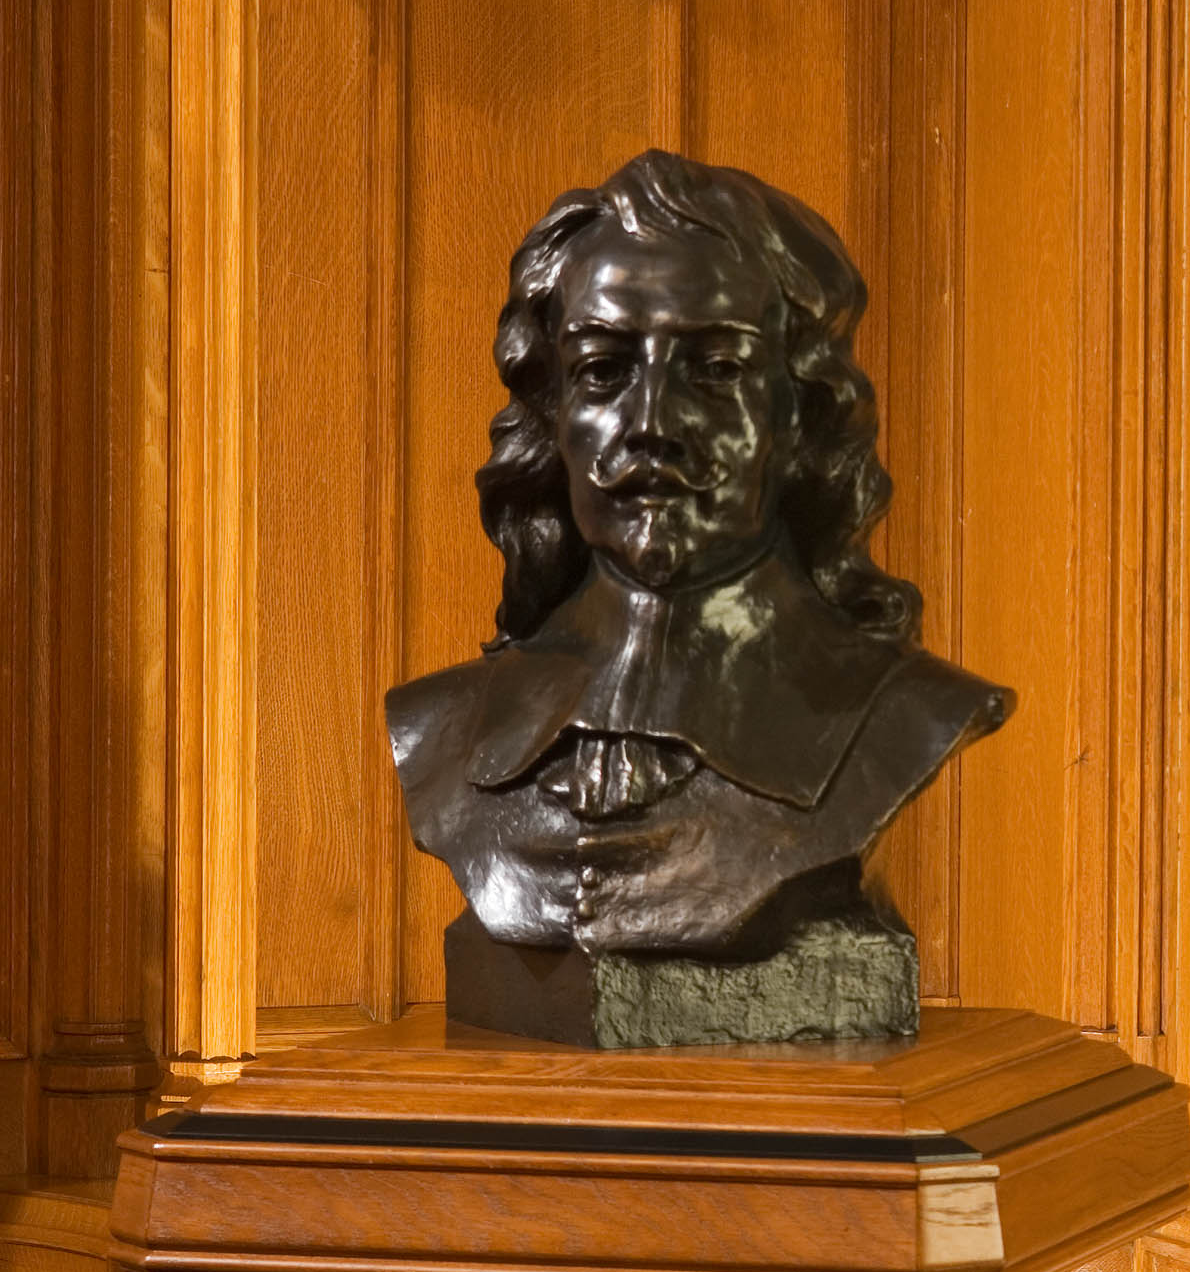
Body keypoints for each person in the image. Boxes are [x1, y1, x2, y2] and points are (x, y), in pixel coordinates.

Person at [386, 151, 1010, 966]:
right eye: (603, 371)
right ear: (554, 413)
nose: (651, 423)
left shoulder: (907, 715)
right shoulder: (439, 727)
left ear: (798, 412)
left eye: (716, 369)